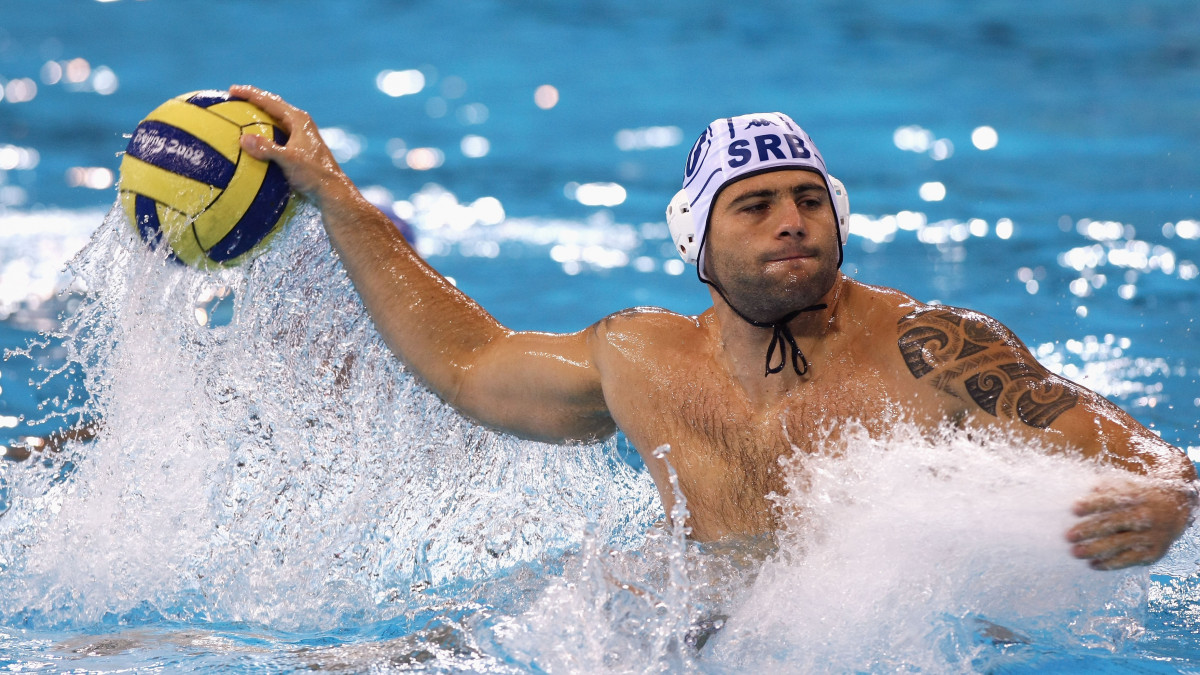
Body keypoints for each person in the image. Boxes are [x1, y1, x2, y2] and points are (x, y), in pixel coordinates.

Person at [229, 85, 1196, 571]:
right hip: (683, 629)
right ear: (698, 240)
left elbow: (1142, 452)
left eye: (809, 201)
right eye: (757, 205)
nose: (791, 220)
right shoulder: (639, 355)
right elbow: (470, 364)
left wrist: (1167, 503)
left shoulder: (931, 349)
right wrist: (331, 190)